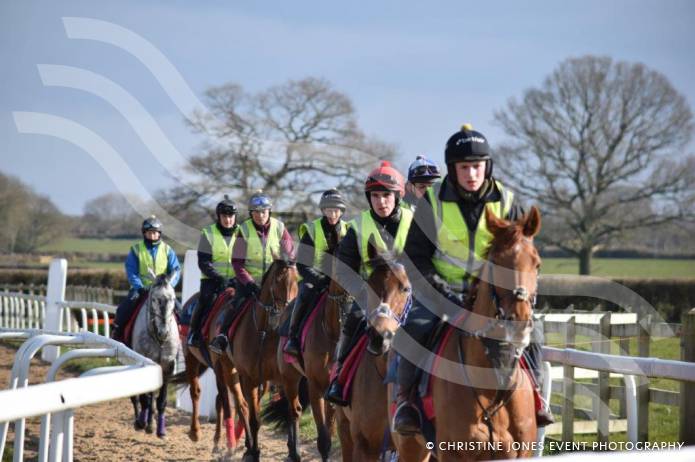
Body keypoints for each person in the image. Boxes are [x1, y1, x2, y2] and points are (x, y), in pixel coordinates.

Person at [391, 124, 553, 436]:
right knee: (415, 327)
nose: (471, 173)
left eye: (477, 166)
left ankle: (536, 396)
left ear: (486, 166)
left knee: (534, 333)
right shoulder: (432, 202)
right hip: (442, 291)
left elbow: (524, 252)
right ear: (453, 169)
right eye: (464, 167)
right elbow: (415, 257)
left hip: (495, 295)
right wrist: (442, 294)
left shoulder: (507, 201)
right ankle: (406, 403)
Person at [324, 161, 414, 406]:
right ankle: (339, 380)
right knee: (351, 322)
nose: (381, 201)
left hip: (410, 295)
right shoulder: (357, 227)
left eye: (386, 195)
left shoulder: (415, 222)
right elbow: (344, 270)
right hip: (371, 294)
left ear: (397, 196)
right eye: (375, 196)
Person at [209, 190, 295, 354]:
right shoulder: (244, 230)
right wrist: (249, 283)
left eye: (263, 212)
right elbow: (237, 263)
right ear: (251, 213)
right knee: (235, 304)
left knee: (291, 306)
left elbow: (291, 254)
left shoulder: (279, 227)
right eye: (256, 212)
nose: (260, 215)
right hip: (250, 283)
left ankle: (293, 341)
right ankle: (222, 337)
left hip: (275, 282)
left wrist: (286, 263)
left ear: (269, 211)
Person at [284, 189, 350, 357]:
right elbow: (303, 265)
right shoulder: (312, 230)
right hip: (316, 279)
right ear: (323, 210)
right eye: (329, 209)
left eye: (336, 210)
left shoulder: (349, 231)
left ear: (341, 211)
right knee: (304, 292)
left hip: (342, 281)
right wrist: (321, 280)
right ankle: (293, 337)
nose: (333, 213)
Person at [112, 215, 181, 341]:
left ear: (159, 234)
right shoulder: (136, 249)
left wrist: (169, 286)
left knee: (179, 309)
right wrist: (140, 287)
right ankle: (118, 332)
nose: (152, 236)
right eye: (149, 233)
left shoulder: (167, 250)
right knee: (125, 307)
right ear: (144, 233)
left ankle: (183, 335)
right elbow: (131, 271)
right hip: (141, 289)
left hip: (162, 290)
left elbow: (176, 269)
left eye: (155, 233)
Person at [187, 195, 239, 348]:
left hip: (237, 280)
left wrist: (238, 278)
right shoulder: (208, 233)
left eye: (231, 216)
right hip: (212, 281)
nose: (228, 220)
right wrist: (219, 277)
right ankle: (194, 333)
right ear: (219, 216)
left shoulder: (243, 233)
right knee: (205, 300)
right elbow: (203, 262)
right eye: (224, 216)